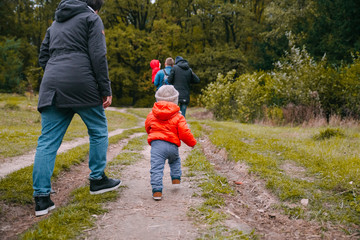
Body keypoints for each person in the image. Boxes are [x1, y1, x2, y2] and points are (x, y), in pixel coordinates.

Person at [33, 0, 121, 217]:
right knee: (98, 131)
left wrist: (57, 74)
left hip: (52, 85)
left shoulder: (55, 24)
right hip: (82, 84)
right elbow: (98, 56)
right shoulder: (92, 18)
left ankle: (42, 199)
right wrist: (105, 88)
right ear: (96, 7)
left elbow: (43, 57)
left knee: (47, 141)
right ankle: (97, 179)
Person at [145, 85, 197, 201]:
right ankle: (176, 179)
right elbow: (184, 132)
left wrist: (151, 135)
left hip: (157, 146)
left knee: (156, 168)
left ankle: (157, 191)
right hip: (172, 146)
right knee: (175, 161)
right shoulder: (178, 116)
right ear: (175, 100)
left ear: (157, 99)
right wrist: (192, 143)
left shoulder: (152, 114)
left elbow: (148, 127)